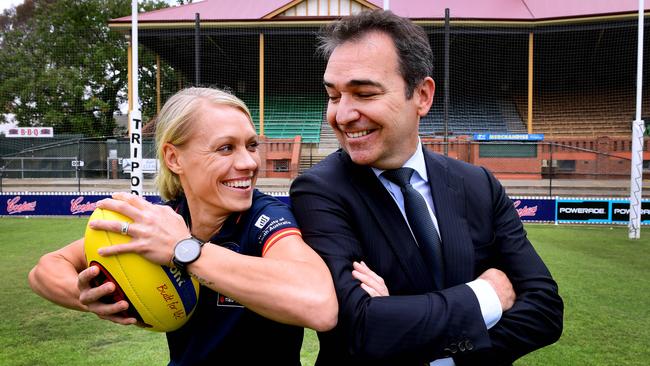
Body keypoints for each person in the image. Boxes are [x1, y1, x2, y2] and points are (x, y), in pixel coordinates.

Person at [289, 10, 563, 366]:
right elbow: (358, 327)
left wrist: (406, 326)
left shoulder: (478, 184)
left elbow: (544, 309)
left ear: (421, 95)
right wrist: (485, 296)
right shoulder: (319, 190)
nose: (342, 115)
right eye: (334, 95)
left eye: (364, 93)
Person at [28, 87, 338, 365]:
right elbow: (45, 270)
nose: (249, 163)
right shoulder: (158, 222)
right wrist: (92, 299)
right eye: (226, 148)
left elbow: (320, 306)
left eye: (252, 145)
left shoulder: (265, 217)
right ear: (174, 158)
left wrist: (184, 251)